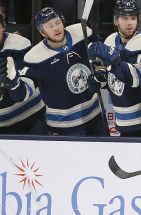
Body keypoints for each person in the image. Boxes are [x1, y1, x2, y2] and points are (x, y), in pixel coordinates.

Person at [10, 7, 107, 136]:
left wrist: (100, 76)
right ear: (42, 32)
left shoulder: (82, 32)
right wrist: (14, 82)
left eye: (57, 22)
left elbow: (104, 58)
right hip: (65, 127)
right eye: (49, 26)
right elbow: (21, 95)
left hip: (96, 116)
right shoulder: (34, 57)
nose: (56, 28)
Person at [88, 0, 141, 137]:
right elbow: (111, 76)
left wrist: (111, 57)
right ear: (115, 21)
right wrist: (100, 81)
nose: (129, 22)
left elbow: (135, 78)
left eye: (133, 18)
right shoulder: (110, 40)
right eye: (124, 18)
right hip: (121, 121)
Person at [0, 12, 47, 135]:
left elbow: (26, 88)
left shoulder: (20, 44)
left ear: (3, 27)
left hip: (31, 118)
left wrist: (14, 85)